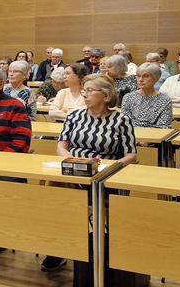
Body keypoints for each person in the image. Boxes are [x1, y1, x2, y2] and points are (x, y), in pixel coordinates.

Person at [52, 75, 137, 271]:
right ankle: (58, 248)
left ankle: (108, 253)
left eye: (90, 90)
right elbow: (61, 146)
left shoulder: (121, 120)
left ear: (106, 95)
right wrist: (72, 160)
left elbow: (132, 155)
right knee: (54, 192)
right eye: (84, 90)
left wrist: (110, 167)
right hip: (74, 169)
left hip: (104, 175)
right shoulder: (74, 116)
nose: (85, 94)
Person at [120, 62, 173, 128]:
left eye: (146, 76)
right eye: (138, 76)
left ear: (155, 78)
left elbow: (164, 126)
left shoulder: (165, 100)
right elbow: (125, 123)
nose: (140, 80)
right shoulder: (128, 97)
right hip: (132, 133)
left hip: (155, 134)